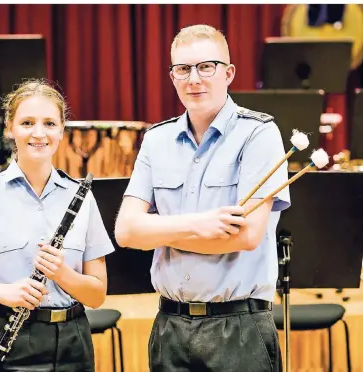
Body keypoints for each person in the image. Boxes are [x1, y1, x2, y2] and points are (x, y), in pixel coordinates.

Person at [115, 24, 290, 372]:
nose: (194, 79)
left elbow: (247, 236)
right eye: (182, 69)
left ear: (228, 73)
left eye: (205, 66)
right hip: (169, 326)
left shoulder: (259, 134)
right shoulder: (156, 140)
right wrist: (203, 225)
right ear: (173, 77)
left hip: (239, 328)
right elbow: (125, 231)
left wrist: (160, 233)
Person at [0, 79, 115, 372]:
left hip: (74, 342)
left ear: (61, 130)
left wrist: (62, 273)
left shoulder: (81, 196)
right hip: (9, 341)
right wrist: (2, 292)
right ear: (10, 128)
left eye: (49, 123)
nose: (38, 133)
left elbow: (97, 295)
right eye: (27, 122)